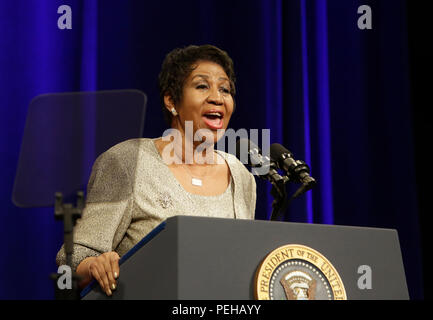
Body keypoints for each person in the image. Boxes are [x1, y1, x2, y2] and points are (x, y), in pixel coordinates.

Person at [56, 44, 257, 296]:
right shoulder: (129, 161)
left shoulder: (241, 175)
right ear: (171, 100)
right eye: (202, 86)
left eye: (225, 89)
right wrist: (95, 264)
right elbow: (74, 258)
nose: (217, 97)